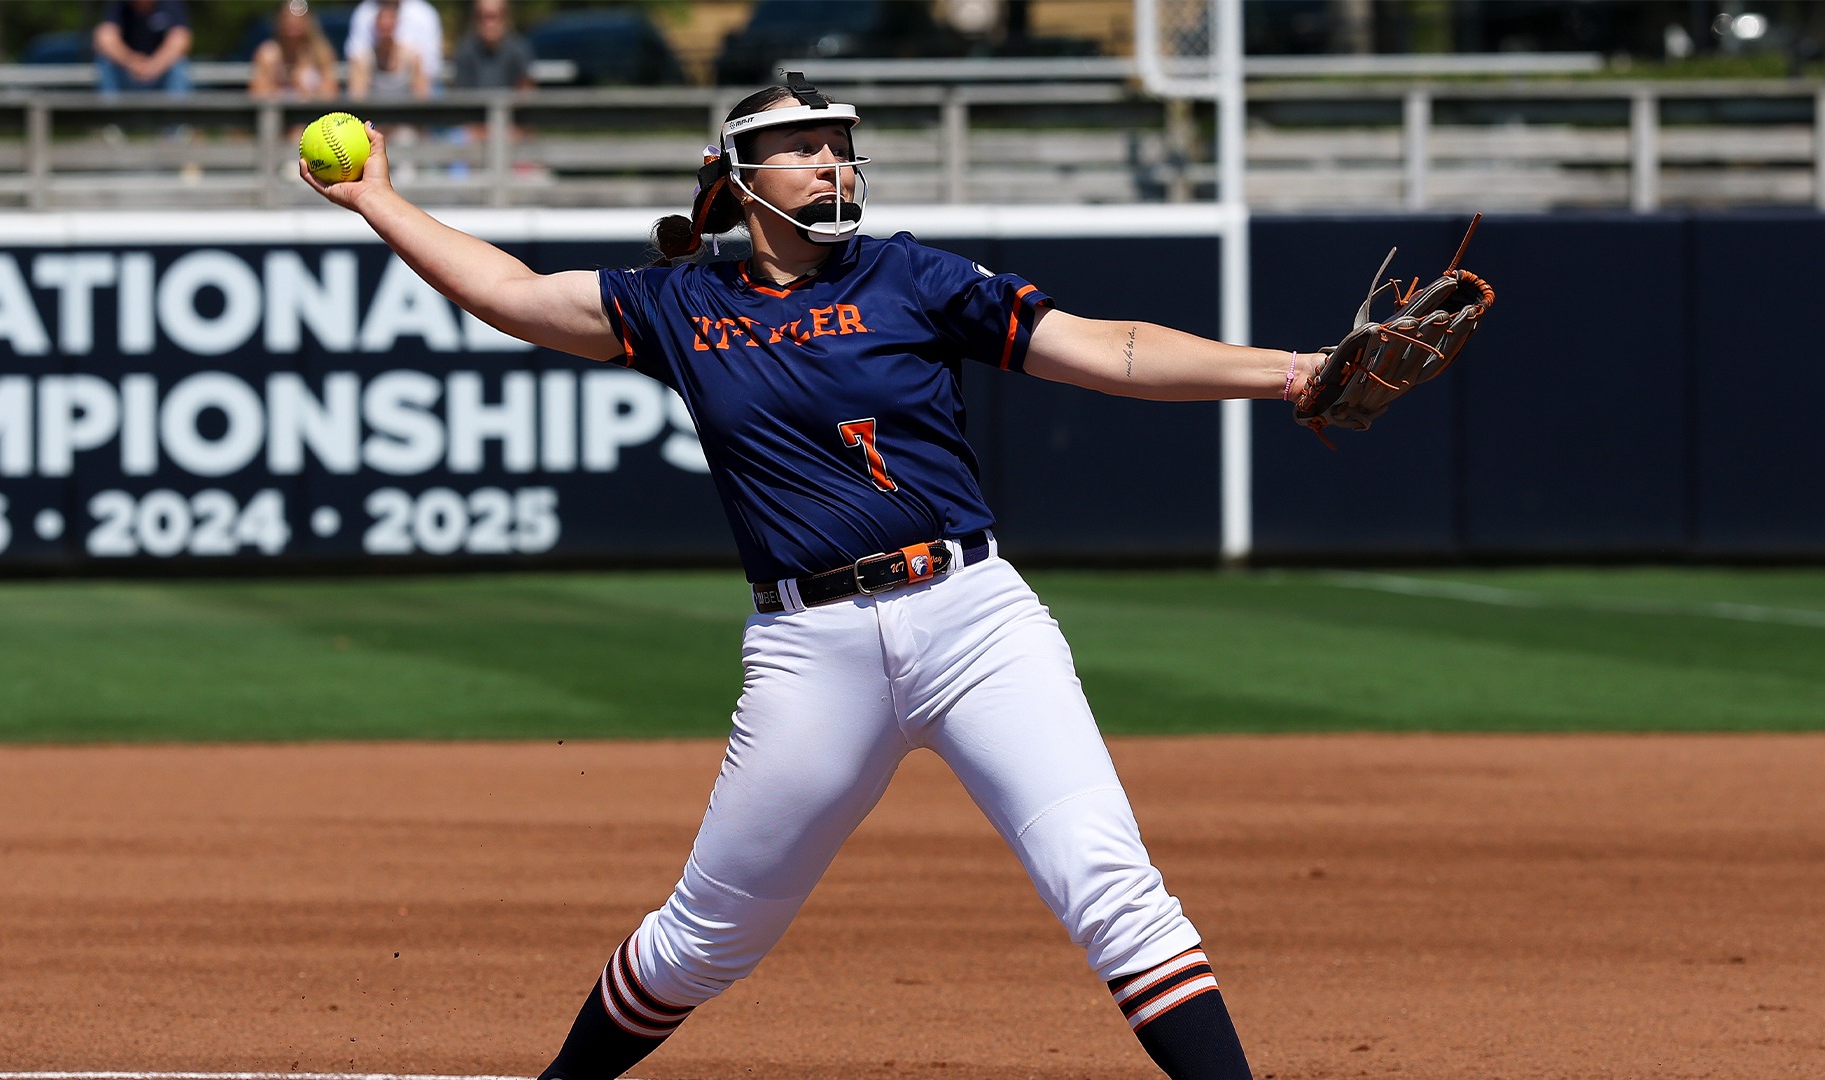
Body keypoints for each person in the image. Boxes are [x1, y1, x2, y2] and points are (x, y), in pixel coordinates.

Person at [303, 73, 1321, 1080]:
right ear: (741, 181)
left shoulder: (911, 278)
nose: (832, 157)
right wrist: (376, 199)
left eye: (839, 141)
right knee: (703, 940)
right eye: (804, 145)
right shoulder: (682, 306)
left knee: (1111, 887)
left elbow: (1115, 351)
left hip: (974, 621)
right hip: (810, 650)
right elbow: (513, 296)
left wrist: (1293, 371)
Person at [91, 0, 193, 95]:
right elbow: (105, 37)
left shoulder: (170, 3)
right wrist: (131, 62)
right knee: (105, 61)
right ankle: (110, 112)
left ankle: (176, 112)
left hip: (161, 72)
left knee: (178, 64)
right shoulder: (119, 4)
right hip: (126, 72)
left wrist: (154, 65)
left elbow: (181, 39)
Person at [249, 0, 339, 101]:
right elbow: (257, 94)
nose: (293, 22)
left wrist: (306, 90)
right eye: (287, 17)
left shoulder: (321, 51)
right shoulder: (268, 54)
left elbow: (331, 92)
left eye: (298, 17)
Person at [343, 0, 443, 91]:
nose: (385, 24)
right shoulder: (363, 12)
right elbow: (355, 57)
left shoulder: (424, 14)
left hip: (421, 88)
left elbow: (429, 67)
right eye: (381, 19)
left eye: (390, 19)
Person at [450, 0, 535, 91]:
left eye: (492, 17)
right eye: (480, 17)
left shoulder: (519, 50)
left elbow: (525, 94)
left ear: (505, 18)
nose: (487, 24)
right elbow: (462, 95)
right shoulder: (465, 51)